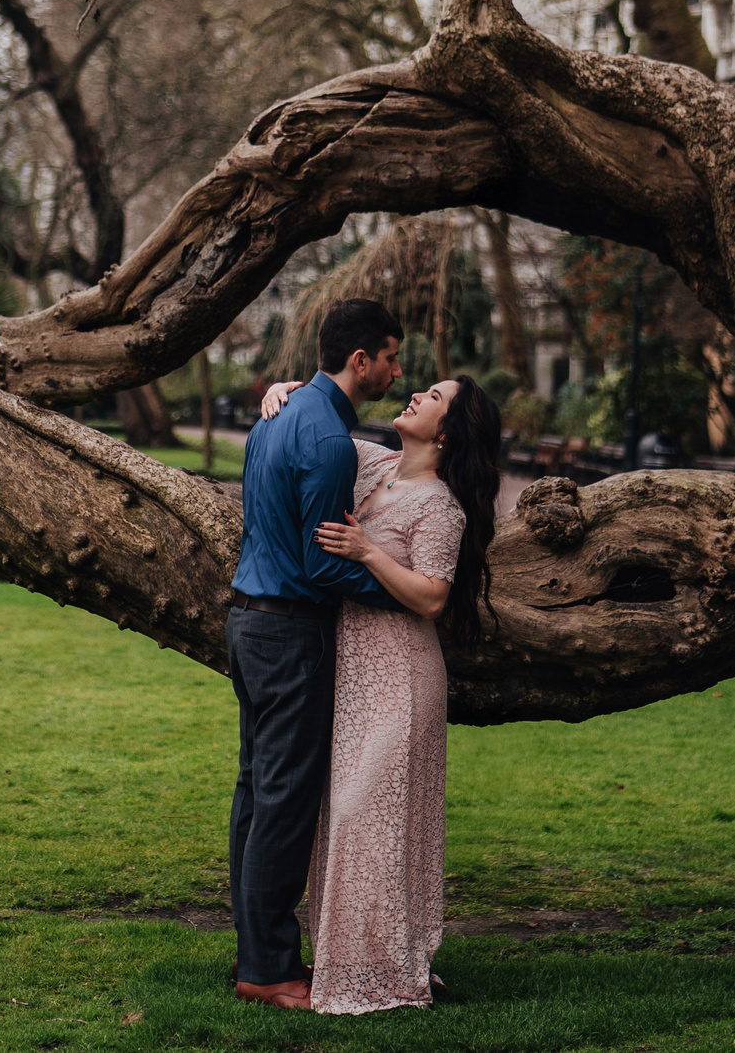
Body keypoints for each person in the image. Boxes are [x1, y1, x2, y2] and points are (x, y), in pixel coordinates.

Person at [260, 370, 502, 1015]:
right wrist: (285, 391)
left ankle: (385, 972)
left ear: (448, 432)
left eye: (435, 398)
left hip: (401, 677)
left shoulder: (440, 506)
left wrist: (367, 551)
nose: (418, 394)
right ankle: (353, 963)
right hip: (352, 675)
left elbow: (432, 597)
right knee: (343, 822)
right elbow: (316, 430)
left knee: (373, 817)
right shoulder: (373, 464)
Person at [223, 298, 403, 1010]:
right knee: (285, 802)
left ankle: (255, 953)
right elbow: (323, 563)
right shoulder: (326, 436)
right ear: (359, 360)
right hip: (292, 633)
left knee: (254, 796)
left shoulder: (274, 418)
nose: (397, 368)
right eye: (390, 355)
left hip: (248, 621)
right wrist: (409, 594)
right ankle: (268, 969)